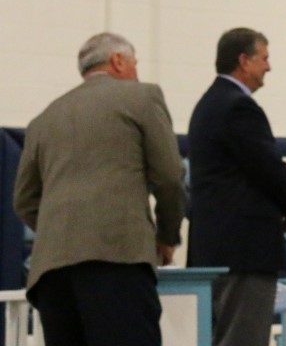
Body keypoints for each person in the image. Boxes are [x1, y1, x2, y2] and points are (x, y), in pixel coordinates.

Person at [13, 32, 186, 346]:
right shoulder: (142, 97)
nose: (137, 73)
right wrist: (166, 236)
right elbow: (171, 177)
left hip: (51, 273)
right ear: (118, 61)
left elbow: (24, 200)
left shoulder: (43, 119)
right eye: (135, 64)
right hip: (117, 259)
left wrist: (64, 233)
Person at [187, 27, 286, 346]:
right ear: (244, 61)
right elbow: (267, 166)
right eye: (264, 58)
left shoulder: (208, 104)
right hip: (243, 251)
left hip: (216, 248)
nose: (269, 67)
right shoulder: (238, 106)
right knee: (244, 339)